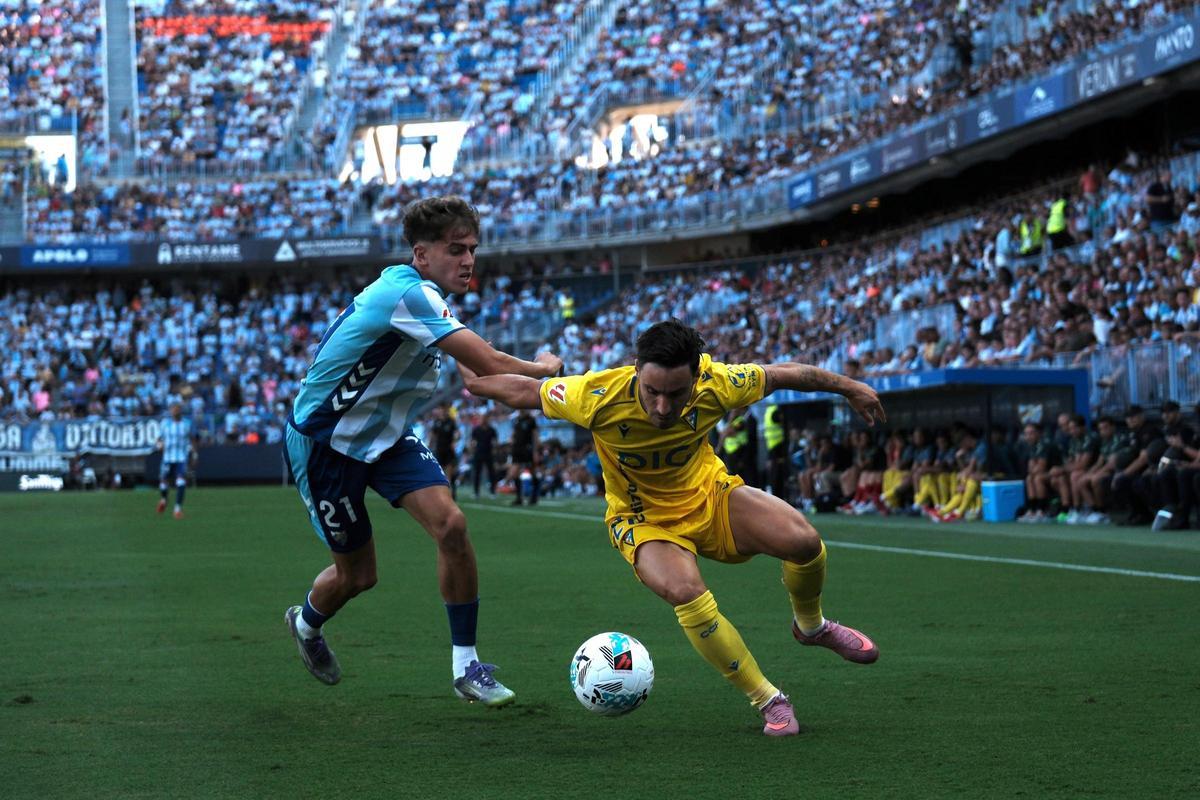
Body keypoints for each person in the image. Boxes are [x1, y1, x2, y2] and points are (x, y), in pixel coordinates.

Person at [458, 319, 885, 736]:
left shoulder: (720, 383)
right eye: (652, 392)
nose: (662, 407)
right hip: (642, 520)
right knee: (687, 592)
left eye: (675, 394)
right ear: (637, 371)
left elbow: (787, 374)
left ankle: (812, 627)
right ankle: (769, 700)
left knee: (805, 542)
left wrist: (850, 387)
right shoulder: (595, 394)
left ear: (697, 377)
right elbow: (520, 391)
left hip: (710, 497)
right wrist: (460, 357)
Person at [282, 196, 562, 704]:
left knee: (452, 525)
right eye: (456, 249)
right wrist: (542, 368)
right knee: (358, 576)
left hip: (387, 436)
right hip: (327, 442)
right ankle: (305, 623)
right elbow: (487, 358)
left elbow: (477, 380)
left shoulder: (433, 301)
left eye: (473, 249)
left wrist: (545, 399)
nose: (469, 260)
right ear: (421, 253)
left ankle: (466, 666)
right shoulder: (408, 296)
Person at [156, 402, 193, 519]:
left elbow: (193, 439)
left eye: (177, 409)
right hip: (167, 458)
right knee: (163, 482)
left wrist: (195, 454)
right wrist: (159, 445)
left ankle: (177, 509)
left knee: (181, 481)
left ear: (180, 410)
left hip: (181, 458)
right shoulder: (165, 424)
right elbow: (158, 439)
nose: (175, 411)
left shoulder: (187, 423)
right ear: (170, 411)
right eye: (173, 409)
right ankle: (164, 499)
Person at [509, 408, 539, 505]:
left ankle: (534, 497)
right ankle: (519, 498)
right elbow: (514, 433)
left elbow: (535, 436)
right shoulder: (517, 419)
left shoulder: (531, 420)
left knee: (532, 472)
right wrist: (512, 439)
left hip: (527, 450)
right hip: (517, 450)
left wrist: (535, 451)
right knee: (514, 473)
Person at [430, 403, 459, 499]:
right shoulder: (437, 422)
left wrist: (455, 441)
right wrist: (429, 447)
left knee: (449, 474)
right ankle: (442, 495)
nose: (441, 411)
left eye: (442, 409)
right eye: (440, 409)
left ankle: (450, 495)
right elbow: (433, 436)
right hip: (439, 451)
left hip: (449, 451)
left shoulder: (451, 422)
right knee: (440, 474)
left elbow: (457, 433)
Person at [468, 414, 499, 498]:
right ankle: (476, 492)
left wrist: (495, 451)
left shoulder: (491, 430)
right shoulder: (476, 429)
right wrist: (472, 450)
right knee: (477, 473)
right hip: (478, 453)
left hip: (488, 453)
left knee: (491, 473)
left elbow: (495, 441)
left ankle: (493, 491)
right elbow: (472, 441)